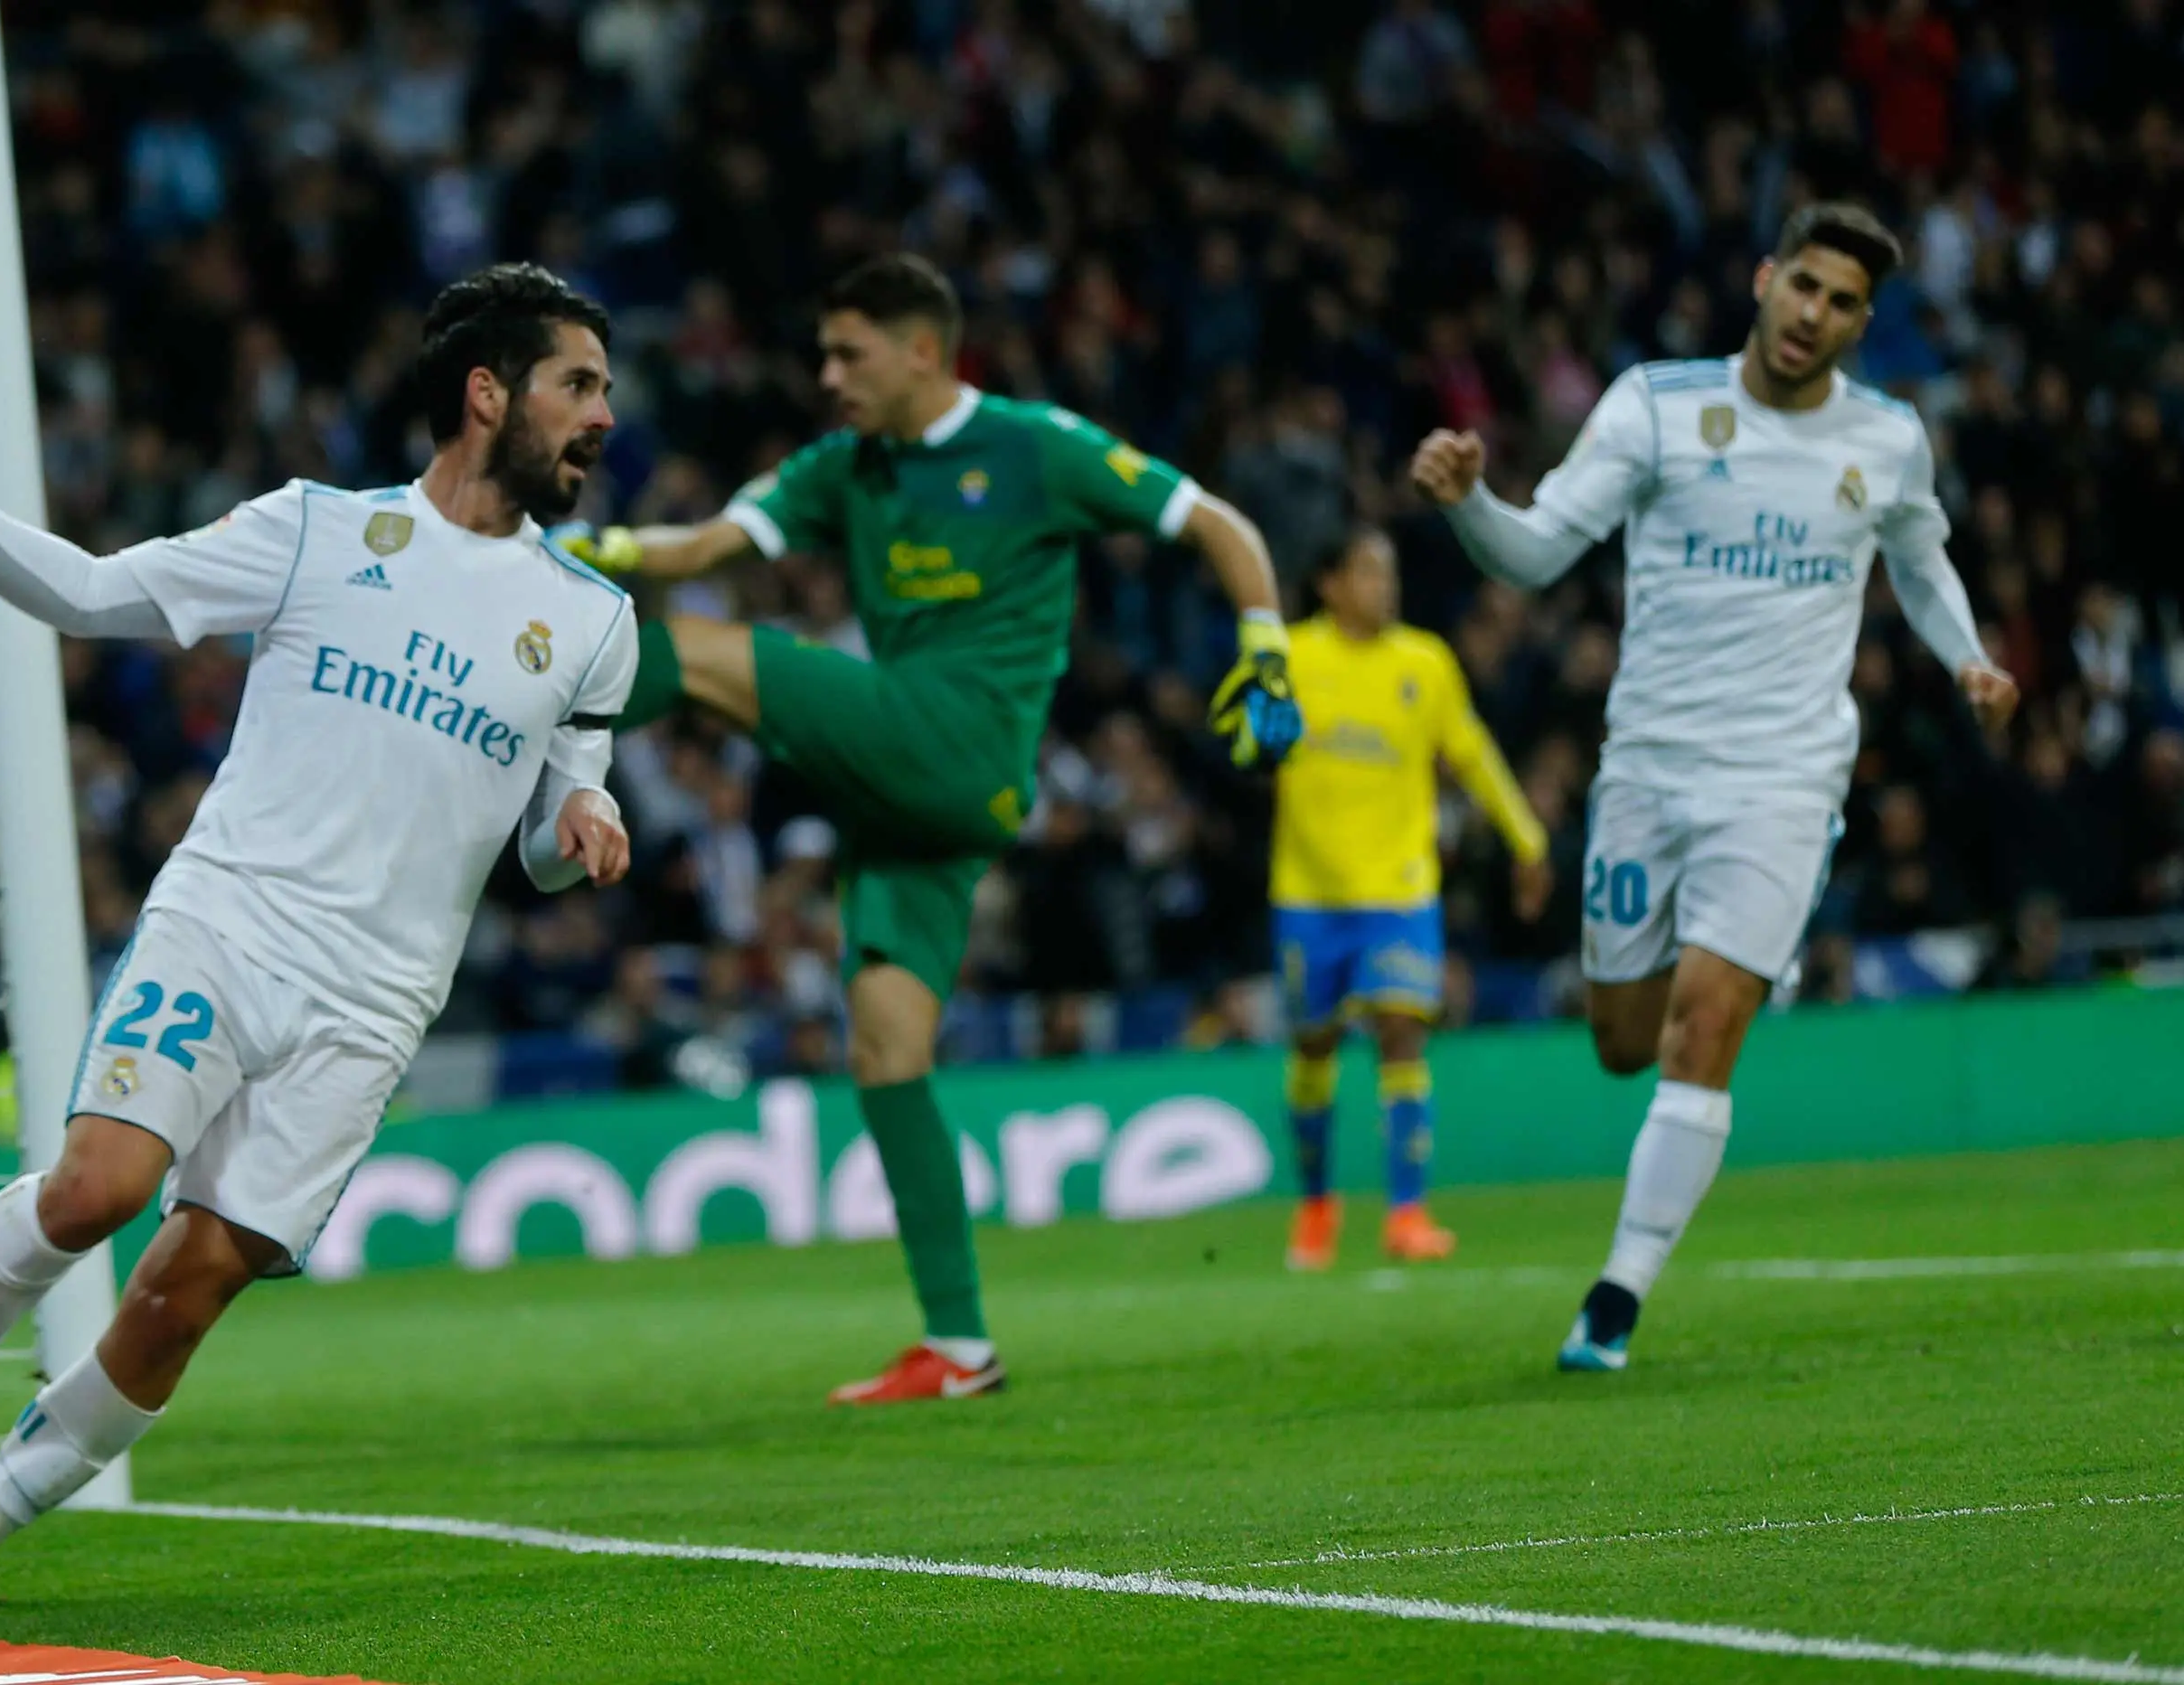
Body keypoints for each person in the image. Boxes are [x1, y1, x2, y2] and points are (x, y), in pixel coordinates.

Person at [0, 263, 638, 1611]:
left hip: (372, 1011)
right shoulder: (314, 531)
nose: (606, 416)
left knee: (181, 1297)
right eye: (580, 386)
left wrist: (583, 818)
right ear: (489, 395)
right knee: (99, 1192)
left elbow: (544, 842)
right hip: (229, 924)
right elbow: (89, 594)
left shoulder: (594, 624)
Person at [559, 253, 1299, 1403]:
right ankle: (959, 1345)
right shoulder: (843, 466)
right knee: (885, 1048)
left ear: (922, 349)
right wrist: (594, 550)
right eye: (822, 353)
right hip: (907, 789)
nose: (827, 375)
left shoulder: (1034, 445)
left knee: (701, 654)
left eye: (849, 353)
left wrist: (1264, 642)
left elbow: (1217, 523)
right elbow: (702, 546)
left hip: (961, 742)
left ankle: (495, 737)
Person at [1406, 203, 2018, 1372]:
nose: (1814, 315)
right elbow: (1534, 555)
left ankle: (1614, 1303)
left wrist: (1969, 658)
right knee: (1625, 1039)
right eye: (1805, 287)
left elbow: (1921, 560)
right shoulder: (1655, 405)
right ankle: (1624, 1260)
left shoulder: (1885, 438)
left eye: (1842, 303)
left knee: (1707, 1026)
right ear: (1764, 279)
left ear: (1862, 322)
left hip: (1785, 776)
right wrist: (1468, 500)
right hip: (1649, 769)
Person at [1272, 528, 1549, 1271]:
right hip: (1308, 893)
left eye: (1387, 573)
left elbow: (1472, 752)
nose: (1382, 588)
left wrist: (1527, 839)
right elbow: (1242, 743)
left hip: (1398, 890)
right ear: (1329, 583)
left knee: (1401, 1031)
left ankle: (1406, 1212)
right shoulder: (1291, 658)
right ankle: (1316, 1204)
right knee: (1314, 1046)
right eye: (1366, 573)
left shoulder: (1424, 663)